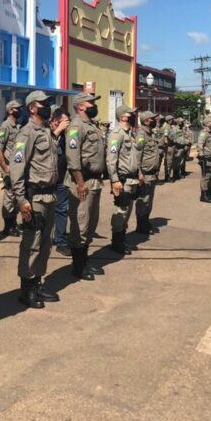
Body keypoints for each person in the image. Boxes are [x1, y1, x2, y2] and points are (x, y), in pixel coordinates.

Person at [10, 91, 60, 308]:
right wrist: (22, 200)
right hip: (35, 196)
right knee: (32, 243)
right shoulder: (26, 133)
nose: (47, 106)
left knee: (46, 243)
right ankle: (27, 289)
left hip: (50, 194)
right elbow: (17, 169)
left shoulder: (46, 131)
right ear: (32, 108)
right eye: (43, 104)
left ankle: (37, 283)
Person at [65, 93, 105, 280]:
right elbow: (73, 158)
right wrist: (80, 183)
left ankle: (85, 260)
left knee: (91, 223)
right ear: (80, 106)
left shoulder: (92, 125)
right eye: (91, 103)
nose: (94, 105)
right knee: (80, 224)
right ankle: (78, 266)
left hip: (94, 180)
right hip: (82, 181)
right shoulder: (76, 126)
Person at [107, 105, 139, 256]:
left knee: (127, 211)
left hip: (132, 179)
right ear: (122, 117)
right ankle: (117, 242)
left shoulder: (130, 134)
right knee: (121, 211)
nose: (133, 115)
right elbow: (111, 159)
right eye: (130, 113)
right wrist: (114, 180)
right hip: (122, 180)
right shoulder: (116, 134)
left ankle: (122, 237)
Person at [0, 100, 23, 238]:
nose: (20, 111)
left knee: (17, 195)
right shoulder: (5, 126)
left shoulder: (18, 126)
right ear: (10, 110)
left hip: (17, 167)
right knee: (10, 196)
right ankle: (8, 225)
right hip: (9, 167)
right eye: (17, 108)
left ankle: (14, 222)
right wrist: (5, 167)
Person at [135, 110, 161, 234]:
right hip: (145, 174)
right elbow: (137, 156)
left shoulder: (151, 134)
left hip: (152, 173)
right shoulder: (141, 135)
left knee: (149, 200)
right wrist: (139, 173)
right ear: (146, 121)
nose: (155, 120)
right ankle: (141, 225)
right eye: (152, 119)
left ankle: (145, 221)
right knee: (143, 201)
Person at [50, 106, 71, 256]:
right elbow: (47, 147)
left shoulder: (66, 135)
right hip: (46, 180)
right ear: (55, 121)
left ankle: (60, 241)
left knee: (62, 209)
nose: (66, 124)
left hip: (62, 178)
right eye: (64, 121)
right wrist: (57, 131)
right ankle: (44, 238)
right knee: (45, 210)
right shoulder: (45, 132)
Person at [197, 117, 211, 203]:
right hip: (206, 157)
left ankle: (207, 192)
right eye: (210, 122)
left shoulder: (210, 132)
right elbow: (200, 144)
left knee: (210, 175)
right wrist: (201, 155)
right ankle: (203, 195)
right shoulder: (204, 133)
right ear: (206, 123)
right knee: (206, 176)